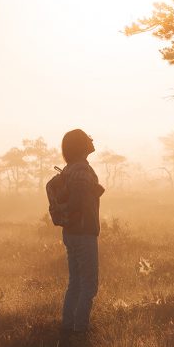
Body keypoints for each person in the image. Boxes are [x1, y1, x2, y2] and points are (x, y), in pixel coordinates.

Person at [58, 129, 104, 334]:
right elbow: (78, 201)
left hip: (71, 232)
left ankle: (68, 328)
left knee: (75, 283)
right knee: (89, 285)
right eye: (87, 138)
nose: (91, 140)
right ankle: (80, 331)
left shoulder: (70, 169)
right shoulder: (82, 170)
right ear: (80, 145)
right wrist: (93, 192)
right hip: (84, 231)